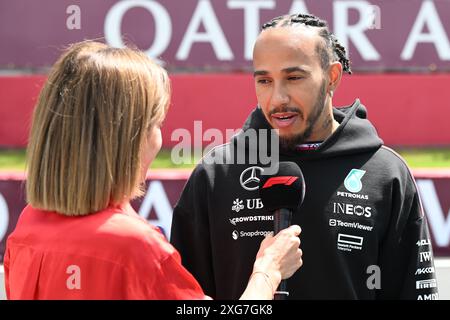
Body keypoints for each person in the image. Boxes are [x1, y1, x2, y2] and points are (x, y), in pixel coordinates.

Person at [3, 41, 303, 300]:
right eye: (157, 124)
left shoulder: (28, 225)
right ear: (129, 138)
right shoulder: (134, 247)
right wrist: (268, 270)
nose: (159, 138)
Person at [170, 13, 439, 300]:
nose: (278, 98)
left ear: (332, 77)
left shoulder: (386, 174)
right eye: (264, 81)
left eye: (294, 77)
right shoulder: (216, 174)